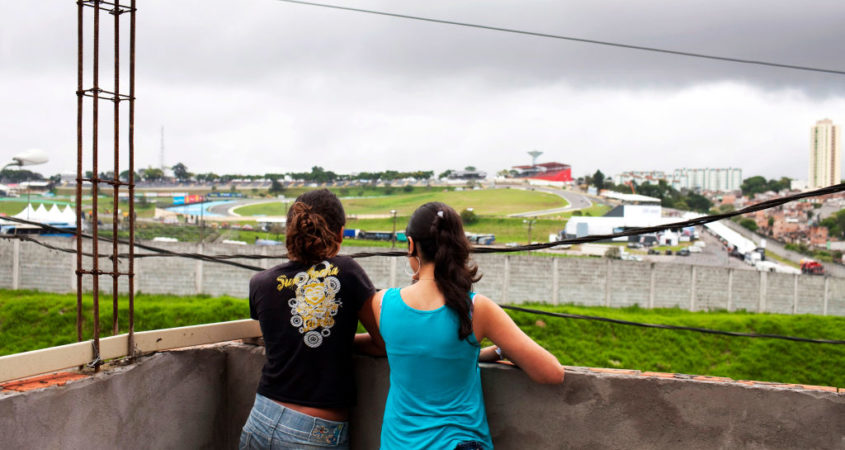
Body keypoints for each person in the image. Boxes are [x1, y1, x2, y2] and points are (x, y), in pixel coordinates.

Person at [356, 202, 565, 450]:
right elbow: (552, 373)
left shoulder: (382, 305)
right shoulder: (477, 309)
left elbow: (425, 351)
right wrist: (502, 350)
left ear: (411, 245)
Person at [240, 189, 380, 450]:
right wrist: (341, 343)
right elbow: (382, 342)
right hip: (314, 433)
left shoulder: (259, 283)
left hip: (260, 418)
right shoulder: (347, 272)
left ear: (289, 234)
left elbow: (283, 340)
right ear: (340, 233)